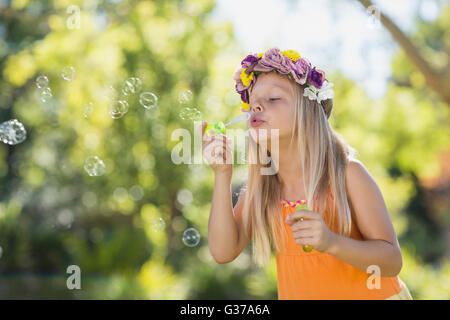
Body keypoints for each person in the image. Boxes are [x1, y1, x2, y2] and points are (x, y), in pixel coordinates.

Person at [201, 47, 413, 300]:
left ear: (307, 113)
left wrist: (331, 242)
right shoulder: (263, 189)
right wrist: (222, 175)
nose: (255, 106)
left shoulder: (347, 174)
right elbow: (223, 252)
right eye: (253, 100)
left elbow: (391, 261)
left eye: (273, 99)